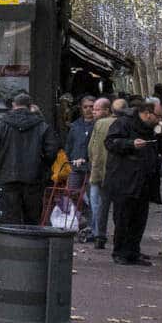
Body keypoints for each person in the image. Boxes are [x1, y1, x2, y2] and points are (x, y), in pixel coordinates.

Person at [103, 97, 162, 266]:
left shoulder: (152, 129)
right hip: (125, 179)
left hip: (145, 180)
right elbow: (110, 142)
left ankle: (133, 251)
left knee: (139, 219)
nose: (159, 120)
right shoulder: (124, 123)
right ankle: (120, 252)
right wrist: (130, 144)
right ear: (147, 114)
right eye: (158, 116)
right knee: (124, 217)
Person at [0, 92, 59, 226]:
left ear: (14, 105)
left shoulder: (2, 124)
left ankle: (12, 246)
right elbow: (52, 151)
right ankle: (31, 245)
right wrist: (43, 167)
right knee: (32, 218)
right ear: (30, 106)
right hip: (34, 177)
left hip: (8, 176)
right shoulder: (42, 125)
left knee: (10, 218)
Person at [87, 97, 122, 249]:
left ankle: (99, 236)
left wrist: (93, 163)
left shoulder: (100, 124)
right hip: (118, 172)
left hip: (99, 171)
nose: (93, 112)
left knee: (100, 206)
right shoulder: (124, 124)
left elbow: (91, 148)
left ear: (108, 110)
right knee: (119, 207)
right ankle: (119, 237)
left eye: (96, 109)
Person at [64, 96, 100, 238]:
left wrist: (86, 158)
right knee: (71, 193)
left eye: (91, 106)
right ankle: (84, 215)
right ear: (81, 108)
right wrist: (70, 158)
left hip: (92, 167)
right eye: (85, 107)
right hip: (75, 166)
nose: (88, 109)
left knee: (94, 198)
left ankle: (93, 227)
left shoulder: (98, 125)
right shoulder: (75, 125)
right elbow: (69, 144)